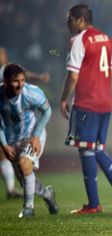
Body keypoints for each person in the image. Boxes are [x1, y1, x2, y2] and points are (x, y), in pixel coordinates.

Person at [60, 4, 112, 214]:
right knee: (97, 148)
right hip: (105, 104)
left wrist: (63, 98)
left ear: (81, 20)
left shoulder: (79, 40)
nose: (67, 23)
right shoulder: (107, 39)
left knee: (86, 150)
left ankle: (93, 205)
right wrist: (105, 94)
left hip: (86, 104)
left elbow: (73, 75)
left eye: (70, 19)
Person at [0, 63, 59, 218]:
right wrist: (4, 145)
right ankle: (48, 195)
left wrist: (36, 135)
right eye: (15, 81)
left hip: (32, 135)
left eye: (22, 80)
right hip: (12, 142)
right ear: (5, 82)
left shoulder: (31, 93)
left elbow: (47, 111)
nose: (20, 84)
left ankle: (28, 209)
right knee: (26, 179)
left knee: (24, 163)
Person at [0, 47, 50, 199]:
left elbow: (25, 75)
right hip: (7, 128)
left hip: (25, 130)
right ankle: (46, 194)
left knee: (23, 165)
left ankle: (23, 201)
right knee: (23, 174)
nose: (2, 56)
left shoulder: (10, 70)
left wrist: (40, 77)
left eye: (2, 53)